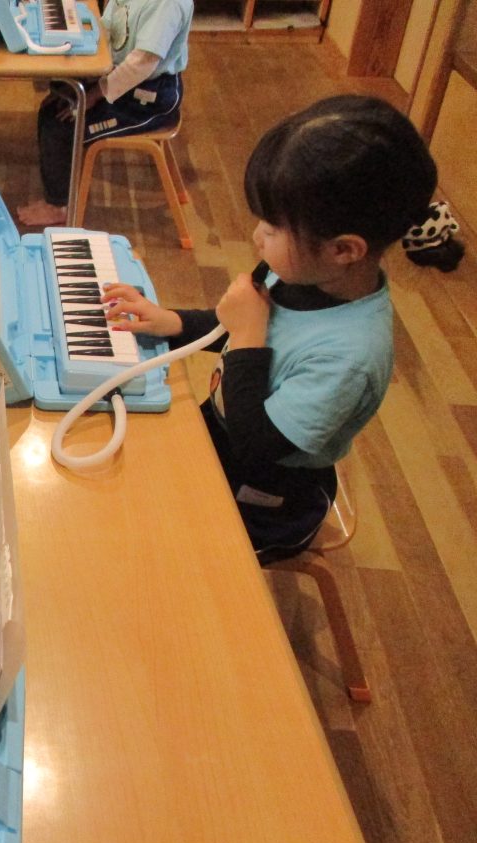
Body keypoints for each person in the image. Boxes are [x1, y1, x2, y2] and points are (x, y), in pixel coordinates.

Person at [101, 94, 440, 564]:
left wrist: (244, 335)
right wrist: (173, 322)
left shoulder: (350, 358)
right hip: (219, 439)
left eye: (275, 228)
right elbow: (254, 326)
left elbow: (257, 445)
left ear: (344, 250)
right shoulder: (312, 274)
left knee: (151, 550)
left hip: (264, 501)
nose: (257, 236)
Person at [17, 0, 193, 227]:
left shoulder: (168, 5)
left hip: (149, 98)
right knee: (56, 103)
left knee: (60, 127)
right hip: (120, 74)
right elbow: (108, 25)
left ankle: (59, 206)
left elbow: (142, 64)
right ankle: (58, 191)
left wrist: (94, 94)